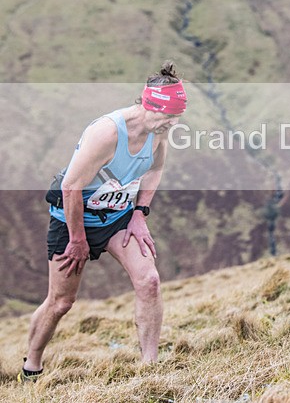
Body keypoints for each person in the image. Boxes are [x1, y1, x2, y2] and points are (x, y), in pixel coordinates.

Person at [17, 62, 187, 382]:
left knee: (149, 281)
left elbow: (154, 168)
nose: (170, 124)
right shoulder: (107, 132)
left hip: (118, 218)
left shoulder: (158, 132)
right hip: (73, 220)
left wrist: (140, 213)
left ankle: (150, 368)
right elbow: (71, 187)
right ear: (148, 104)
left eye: (175, 119)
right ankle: (32, 364)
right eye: (166, 117)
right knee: (61, 302)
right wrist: (78, 240)